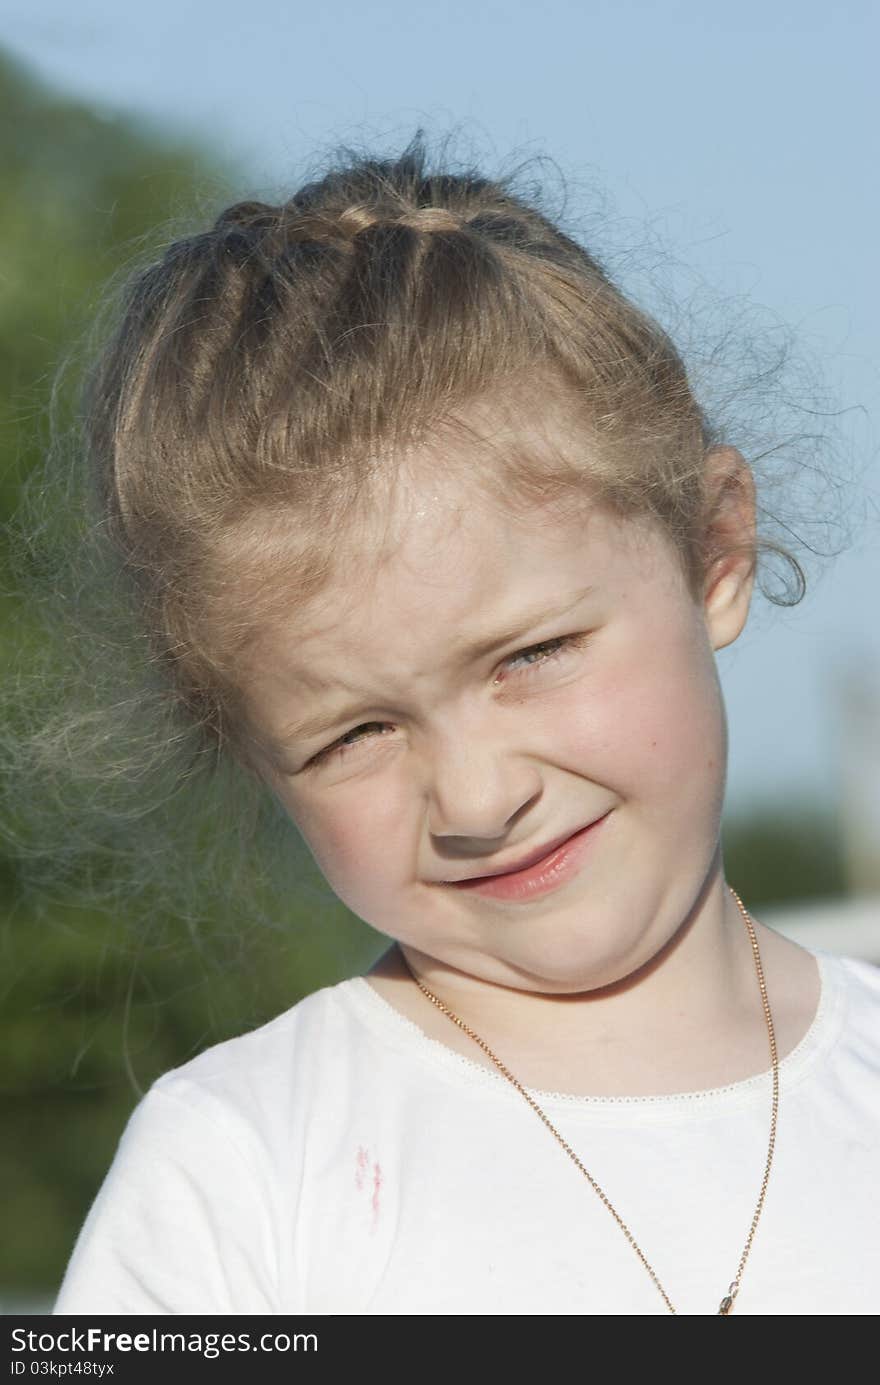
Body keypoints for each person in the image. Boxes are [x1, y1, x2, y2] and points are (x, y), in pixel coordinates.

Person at [41, 133, 878, 1316]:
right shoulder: (242, 1172)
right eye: (355, 735)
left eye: (530, 655)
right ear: (249, 751)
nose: (479, 799)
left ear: (713, 550)